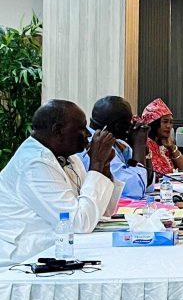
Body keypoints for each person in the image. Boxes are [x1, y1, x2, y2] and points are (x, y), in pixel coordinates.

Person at [0, 100, 121, 265]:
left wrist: (104, 165)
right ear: (58, 131)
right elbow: (79, 223)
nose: (88, 134)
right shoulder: (34, 163)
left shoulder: (69, 157)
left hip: (57, 251)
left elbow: (103, 211)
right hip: (24, 260)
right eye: (82, 128)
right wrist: (97, 164)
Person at [80, 96, 153, 200]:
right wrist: (139, 145)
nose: (132, 126)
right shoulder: (98, 145)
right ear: (118, 127)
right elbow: (135, 189)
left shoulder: (118, 143)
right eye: (130, 122)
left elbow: (147, 183)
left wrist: (143, 147)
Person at [142, 98, 183, 175]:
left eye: (171, 122)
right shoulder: (145, 144)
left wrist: (172, 147)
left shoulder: (164, 143)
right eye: (165, 122)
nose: (169, 126)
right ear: (154, 123)